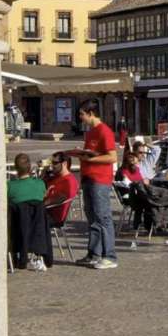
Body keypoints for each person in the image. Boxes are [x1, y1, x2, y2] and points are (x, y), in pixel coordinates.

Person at [70, 99, 119, 270]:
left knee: (103, 217)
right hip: (88, 179)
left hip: (100, 180)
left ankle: (110, 255)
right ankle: (94, 253)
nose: (80, 118)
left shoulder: (104, 131)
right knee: (92, 218)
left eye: (82, 114)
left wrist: (90, 159)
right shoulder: (90, 133)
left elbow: (112, 157)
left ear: (90, 114)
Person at [6, 155, 49, 270]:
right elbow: (43, 197)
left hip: (16, 226)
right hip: (37, 225)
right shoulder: (40, 184)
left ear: (15, 168)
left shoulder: (9, 186)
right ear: (30, 168)